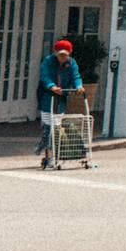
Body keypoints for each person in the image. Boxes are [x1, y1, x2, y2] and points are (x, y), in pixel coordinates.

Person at [37, 40, 84, 170]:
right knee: (48, 127)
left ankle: (54, 154)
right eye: (60, 54)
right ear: (55, 53)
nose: (62, 57)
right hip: (47, 96)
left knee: (56, 127)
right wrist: (51, 86)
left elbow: (76, 76)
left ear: (69, 53)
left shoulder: (71, 63)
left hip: (62, 96)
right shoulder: (48, 61)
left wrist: (78, 86)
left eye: (65, 55)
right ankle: (49, 155)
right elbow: (45, 76)